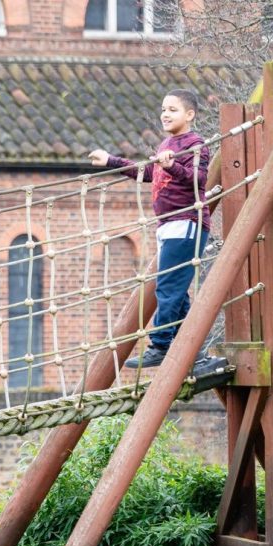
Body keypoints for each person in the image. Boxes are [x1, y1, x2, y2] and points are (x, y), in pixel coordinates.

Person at [89, 89, 210, 368]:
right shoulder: (167, 144)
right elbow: (149, 172)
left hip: (186, 223)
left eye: (173, 109)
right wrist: (112, 161)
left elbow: (199, 179)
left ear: (190, 115)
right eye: (164, 109)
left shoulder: (196, 144)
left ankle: (161, 345)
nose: (165, 114)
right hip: (168, 225)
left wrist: (172, 167)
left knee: (167, 287)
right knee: (176, 293)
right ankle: (194, 351)